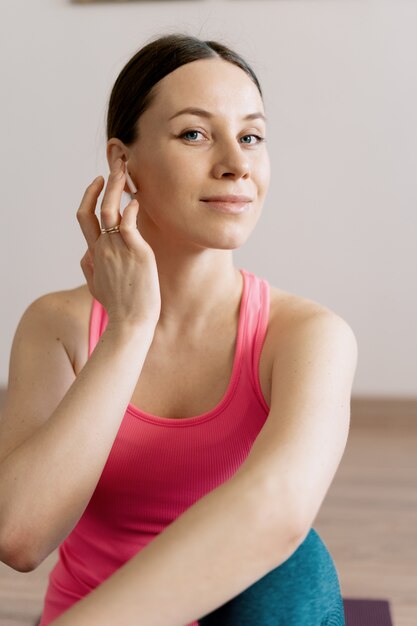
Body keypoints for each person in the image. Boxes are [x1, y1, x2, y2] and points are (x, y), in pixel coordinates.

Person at [0, 34, 356, 626]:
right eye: (195, 133)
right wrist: (129, 329)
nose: (236, 164)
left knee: (299, 564)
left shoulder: (309, 336)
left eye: (251, 137)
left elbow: (279, 509)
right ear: (123, 162)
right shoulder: (56, 326)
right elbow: (19, 536)